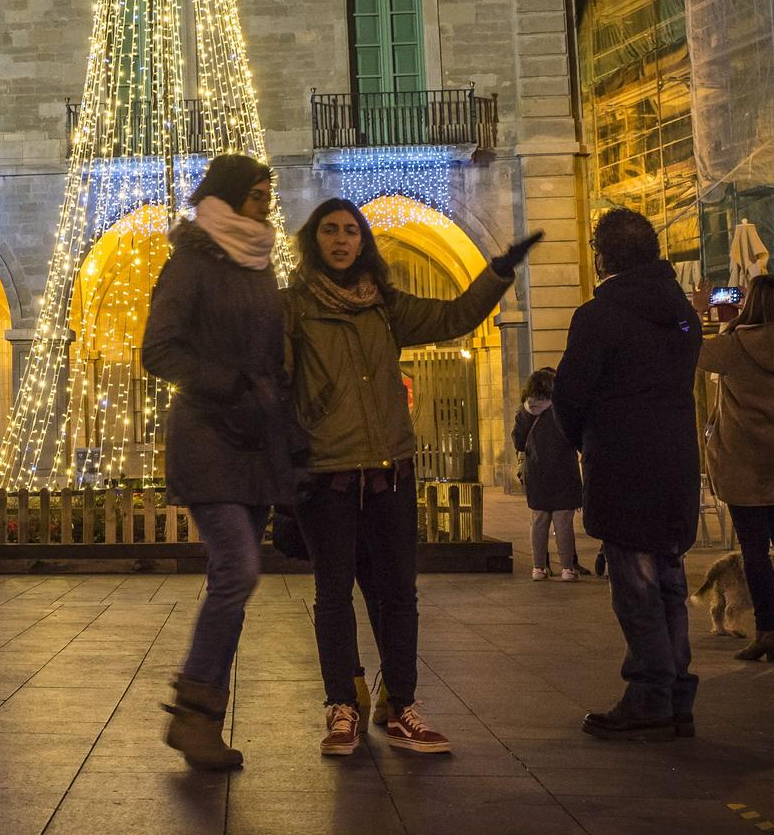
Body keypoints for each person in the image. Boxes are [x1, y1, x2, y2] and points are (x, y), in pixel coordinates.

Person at [286, 198, 539, 758]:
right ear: (314, 240)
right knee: (333, 595)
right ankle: (342, 706)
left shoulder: (385, 305)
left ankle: (401, 705)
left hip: (389, 472)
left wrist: (497, 272)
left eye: (351, 231)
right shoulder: (294, 308)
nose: (341, 240)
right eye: (330, 230)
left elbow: (452, 317)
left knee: (400, 593)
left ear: (363, 243)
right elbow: (275, 380)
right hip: (325, 473)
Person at [142, 154, 300, 772]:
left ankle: (201, 719)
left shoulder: (260, 263)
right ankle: (192, 713)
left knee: (233, 575)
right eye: (258, 195)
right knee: (238, 569)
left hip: (256, 441)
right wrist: (230, 384)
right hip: (208, 436)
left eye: (269, 195)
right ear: (230, 198)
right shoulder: (190, 262)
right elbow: (159, 349)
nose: (267, 205)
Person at [553, 208, 702, 741]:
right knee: (669, 582)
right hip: (676, 464)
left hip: (623, 464)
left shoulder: (598, 316)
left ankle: (649, 696)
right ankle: (677, 694)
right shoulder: (683, 314)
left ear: (603, 255)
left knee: (636, 588)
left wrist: (586, 440)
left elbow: (568, 396)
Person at [700, 273, 774, 663]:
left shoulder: (734, 347)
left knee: (754, 552)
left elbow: (689, 347)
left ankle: (767, 631)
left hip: (745, 464)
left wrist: (696, 313)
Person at [512, 368, 583, 582]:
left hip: (536, 472)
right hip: (564, 471)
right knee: (563, 522)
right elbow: (577, 436)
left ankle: (538, 568)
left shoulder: (525, 412)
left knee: (539, 520)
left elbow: (518, 442)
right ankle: (568, 569)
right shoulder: (562, 410)